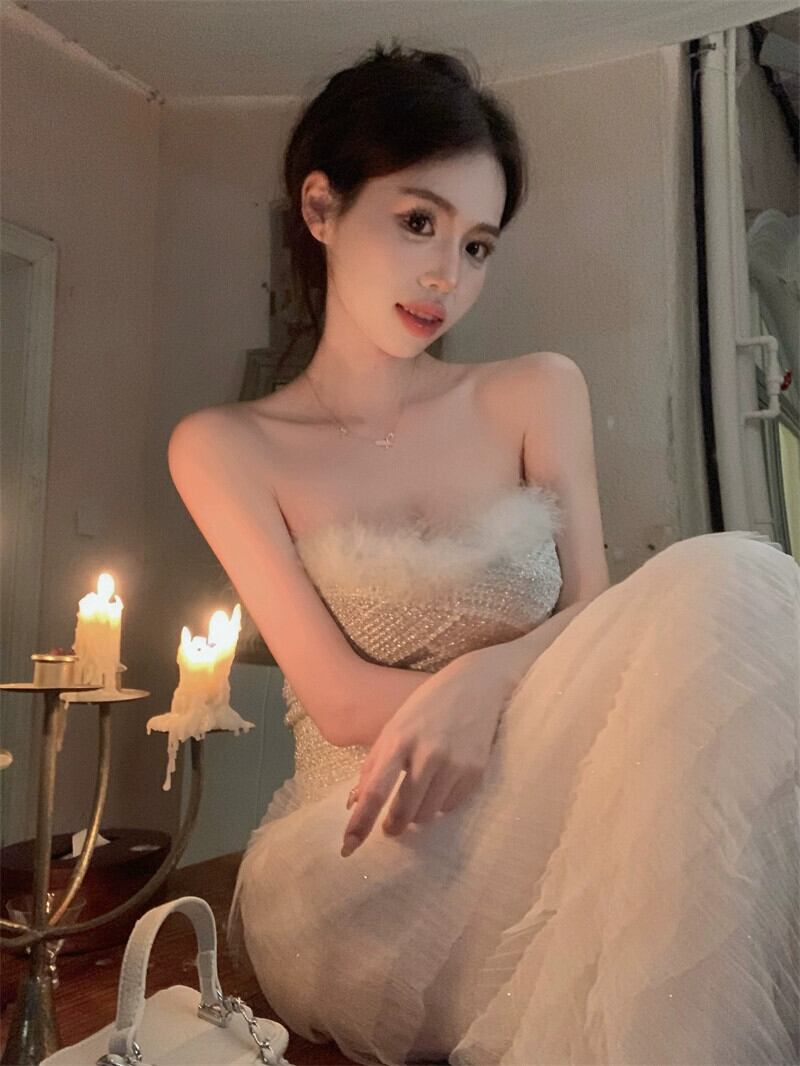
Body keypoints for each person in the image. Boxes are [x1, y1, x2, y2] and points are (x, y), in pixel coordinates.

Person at [167, 41, 800, 1066]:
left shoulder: (535, 389)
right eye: (417, 222)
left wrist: (485, 679)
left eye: (476, 245)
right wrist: (498, 685)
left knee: (723, 597)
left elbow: (592, 613)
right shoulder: (225, 446)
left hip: (558, 816)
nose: (445, 276)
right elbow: (338, 701)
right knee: (720, 584)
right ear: (321, 207)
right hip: (365, 850)